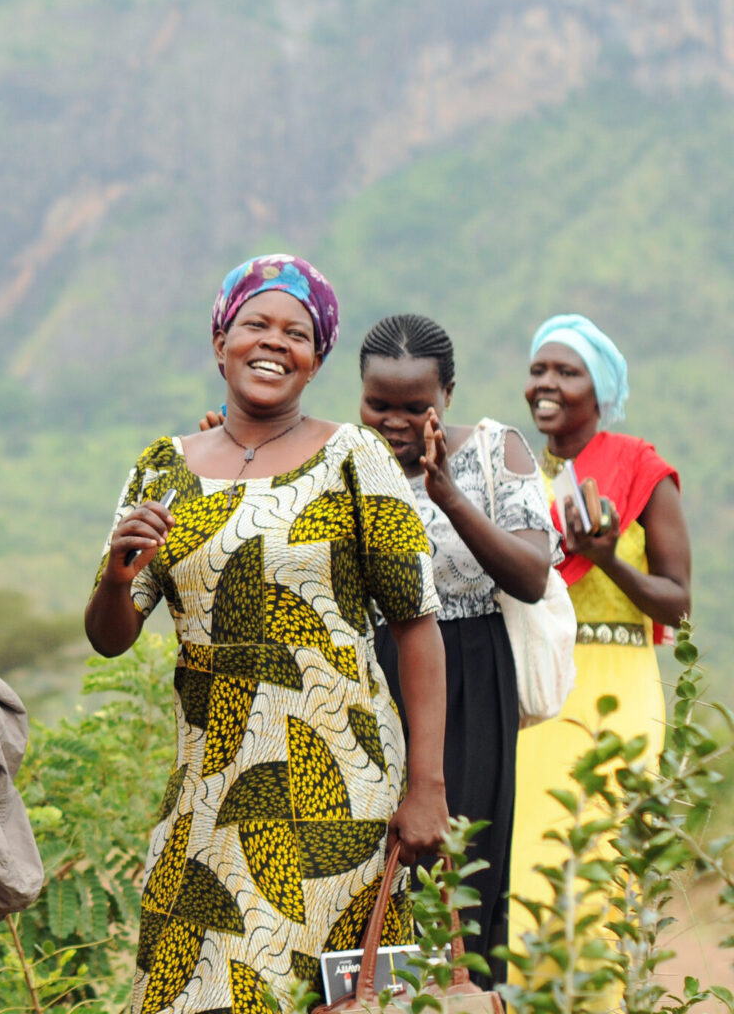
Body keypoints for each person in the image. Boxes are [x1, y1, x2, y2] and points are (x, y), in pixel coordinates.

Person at [85, 256, 448, 1012]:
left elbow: (416, 624)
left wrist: (427, 789)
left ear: (317, 359)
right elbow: (110, 637)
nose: (273, 343)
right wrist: (119, 575)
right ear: (221, 339)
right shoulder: (164, 468)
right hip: (208, 789)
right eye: (255, 324)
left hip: (338, 785)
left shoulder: (356, 458)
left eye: (297, 332)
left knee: (324, 993)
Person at [352, 314, 554, 985]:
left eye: (418, 407)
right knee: (367, 880)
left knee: (461, 872)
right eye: (379, 404)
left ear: (449, 396)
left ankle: (467, 998)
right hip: (369, 680)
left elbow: (531, 574)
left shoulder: (498, 452)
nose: (395, 421)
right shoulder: (340, 463)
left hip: (470, 674)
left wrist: (450, 496)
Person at [506, 314, 689, 966]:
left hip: (618, 687)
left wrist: (609, 560)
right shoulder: (513, 475)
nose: (547, 383)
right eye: (539, 370)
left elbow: (678, 598)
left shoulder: (642, 470)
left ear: (599, 389)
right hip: (535, 687)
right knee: (529, 858)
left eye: (566, 370)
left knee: (600, 864)